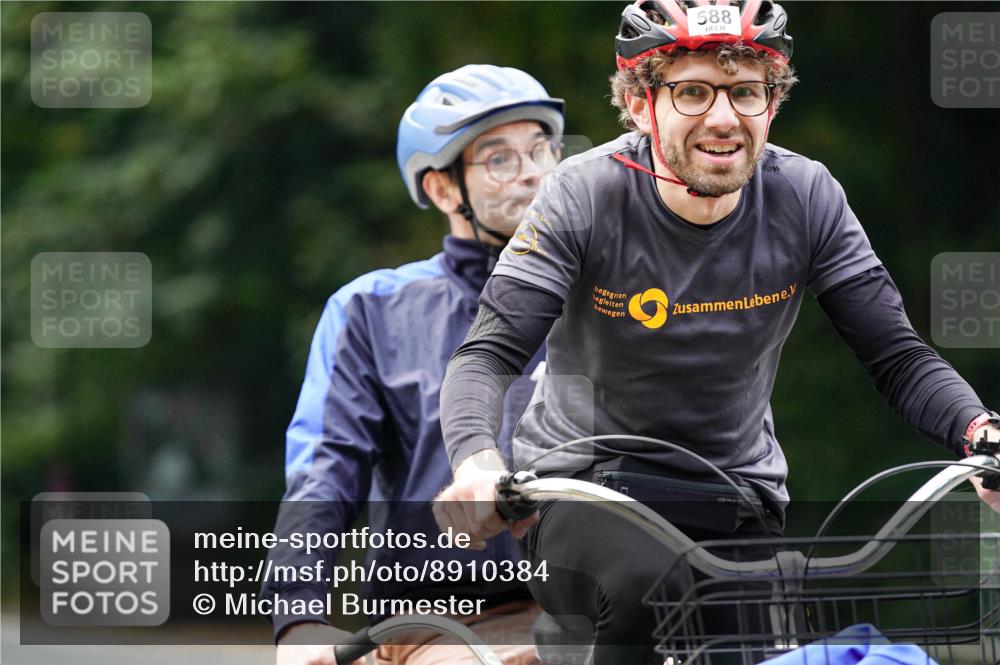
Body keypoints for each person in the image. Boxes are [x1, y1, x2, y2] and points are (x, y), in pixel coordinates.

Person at [432, 1, 1000, 663]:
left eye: (747, 92)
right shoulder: (582, 194)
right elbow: (489, 352)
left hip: (737, 497)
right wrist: (476, 461)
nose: (724, 118)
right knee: (647, 587)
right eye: (694, 91)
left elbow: (897, 354)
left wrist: (978, 431)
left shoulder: (806, 195)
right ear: (643, 105)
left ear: (772, 104)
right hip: (585, 489)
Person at [266, 64, 565, 665]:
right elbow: (327, 469)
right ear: (441, 188)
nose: (533, 171)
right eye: (500, 158)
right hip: (444, 623)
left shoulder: (607, 296)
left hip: (607, 606)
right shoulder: (371, 311)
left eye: (542, 149)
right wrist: (298, 617)